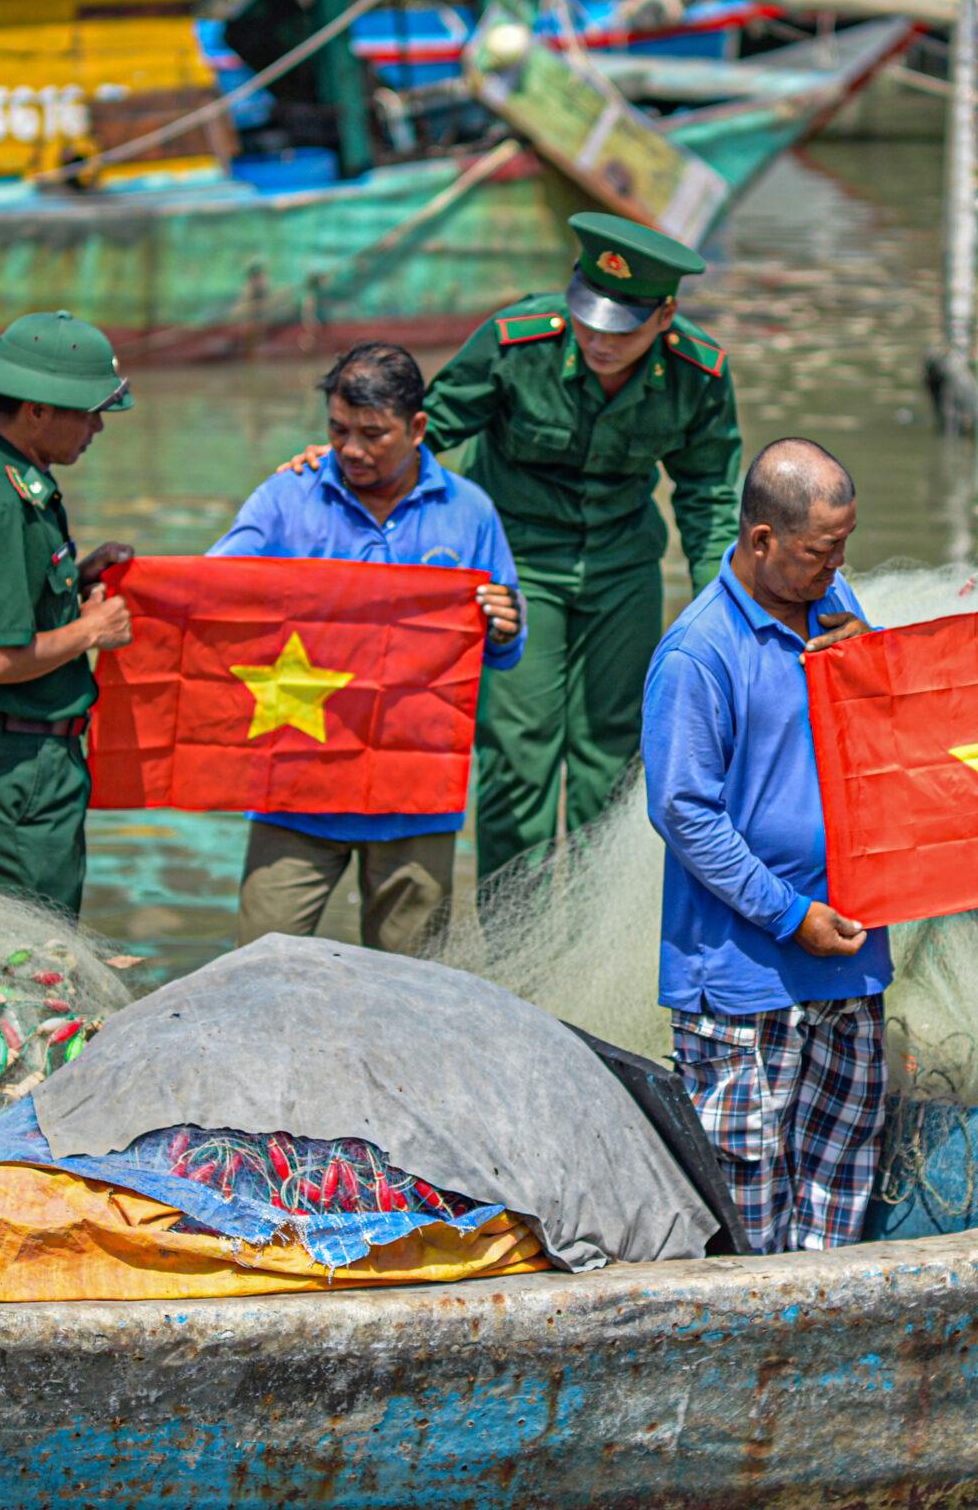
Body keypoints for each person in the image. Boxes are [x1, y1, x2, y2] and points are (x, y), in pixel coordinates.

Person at [287, 212, 742, 884]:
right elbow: (425, 429)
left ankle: (589, 929)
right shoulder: (517, 341)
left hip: (623, 567)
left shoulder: (695, 373)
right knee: (519, 755)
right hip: (518, 562)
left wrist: (720, 607)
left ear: (664, 316)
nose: (598, 340)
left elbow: (711, 495)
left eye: (620, 329)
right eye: (588, 319)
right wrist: (344, 462)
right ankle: (512, 932)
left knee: (612, 759)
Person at [642, 438, 884, 1253]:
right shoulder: (698, 653)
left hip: (850, 956)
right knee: (749, 1202)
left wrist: (870, 659)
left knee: (841, 1180)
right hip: (744, 980)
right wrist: (788, 915)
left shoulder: (835, 605)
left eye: (844, 547)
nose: (836, 566)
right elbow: (685, 814)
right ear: (760, 542)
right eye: (821, 552)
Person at [207, 343, 525, 954]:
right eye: (337, 429)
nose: (351, 449)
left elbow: (502, 647)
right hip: (297, 790)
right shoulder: (288, 498)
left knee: (412, 985)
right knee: (255, 970)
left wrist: (506, 624)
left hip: (414, 794)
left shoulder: (468, 511)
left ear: (418, 429)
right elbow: (214, 590)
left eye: (373, 434)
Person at [0, 310, 136, 917]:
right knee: (35, 957)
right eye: (87, 411)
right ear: (38, 410)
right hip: (14, 771)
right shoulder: (0, 502)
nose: (97, 426)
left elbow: (14, 602)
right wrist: (91, 629)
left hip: (28, 763)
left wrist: (79, 579)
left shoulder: (12, 480)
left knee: (41, 948)